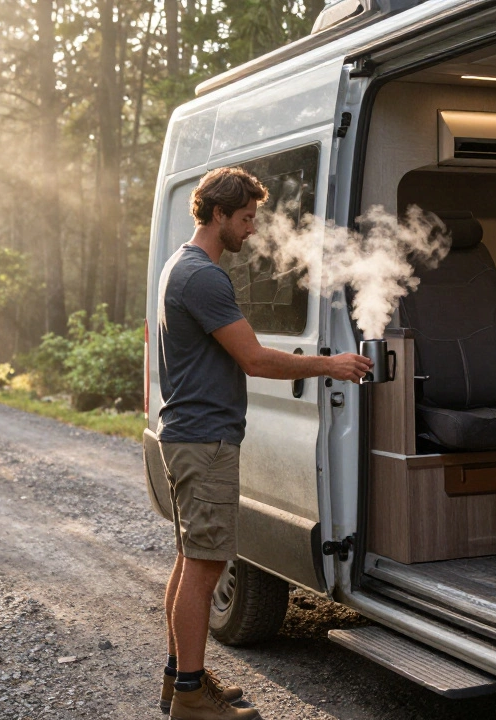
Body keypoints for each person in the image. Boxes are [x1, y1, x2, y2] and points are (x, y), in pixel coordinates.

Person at [155, 167, 372, 719]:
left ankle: (183, 678)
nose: (252, 229)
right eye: (247, 218)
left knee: (190, 562)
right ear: (220, 214)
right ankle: (189, 700)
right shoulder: (202, 276)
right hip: (204, 440)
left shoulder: (180, 265)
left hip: (191, 435)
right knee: (204, 567)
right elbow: (253, 358)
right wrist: (331, 364)